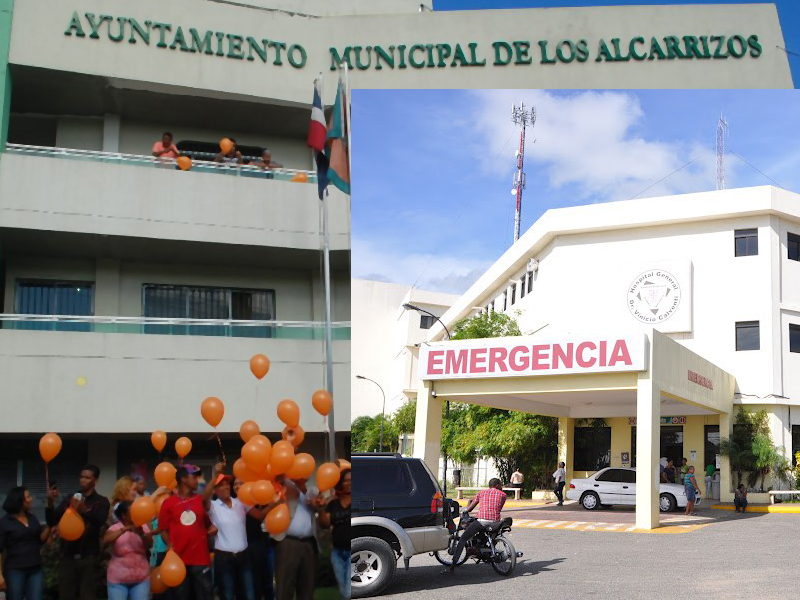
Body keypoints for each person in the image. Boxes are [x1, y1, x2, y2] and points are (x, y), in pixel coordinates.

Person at [208, 474, 280, 600]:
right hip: (224, 559)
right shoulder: (213, 506)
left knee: (249, 594)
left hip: (243, 557)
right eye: (221, 485)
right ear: (215, 490)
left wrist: (276, 503)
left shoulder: (241, 502)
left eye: (226, 484)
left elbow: (259, 516)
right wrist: (214, 477)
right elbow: (203, 499)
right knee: (228, 595)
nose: (226, 487)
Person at [45, 464, 111, 600]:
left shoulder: (101, 501)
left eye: (87, 477)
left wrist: (84, 510)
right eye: (81, 477)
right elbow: (52, 520)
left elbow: (99, 521)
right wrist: (50, 502)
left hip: (89, 557)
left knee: (88, 595)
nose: (83, 480)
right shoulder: (71, 499)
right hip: (68, 555)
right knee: (65, 595)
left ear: (95, 480)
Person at [158, 464, 218, 600]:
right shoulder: (168, 503)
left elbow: (209, 525)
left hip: (200, 559)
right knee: (181, 596)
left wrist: (212, 529)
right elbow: (163, 529)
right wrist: (170, 546)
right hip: (178, 561)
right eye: (194, 477)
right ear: (183, 479)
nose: (198, 480)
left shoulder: (199, 500)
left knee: (205, 596)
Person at [442, 478, 506, 575]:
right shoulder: (503, 495)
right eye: (500, 485)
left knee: (463, 539)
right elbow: (498, 508)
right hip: (496, 522)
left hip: (482, 521)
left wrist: (466, 509)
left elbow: (470, 509)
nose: (501, 487)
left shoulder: (481, 493)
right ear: (497, 485)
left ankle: (452, 567)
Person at [0, 486, 51, 600]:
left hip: (35, 568)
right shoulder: (4, 522)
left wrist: (50, 527)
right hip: (15, 570)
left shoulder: (32, 518)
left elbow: (40, 540)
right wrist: (0, 576)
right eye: (28, 497)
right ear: (19, 501)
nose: (31, 499)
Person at [275, 478, 318, 600]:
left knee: (307, 587)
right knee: (285, 586)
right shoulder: (284, 488)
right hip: (288, 542)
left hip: (308, 543)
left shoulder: (311, 491)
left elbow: (317, 502)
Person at [234, 479, 276, 600]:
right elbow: (259, 515)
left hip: (262, 543)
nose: (237, 486)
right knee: (253, 581)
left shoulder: (256, 499)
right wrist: (275, 503)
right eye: (235, 484)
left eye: (240, 483)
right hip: (247, 546)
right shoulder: (237, 502)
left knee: (265, 580)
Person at [103, 501, 152, 600]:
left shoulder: (143, 527)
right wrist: (124, 529)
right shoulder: (114, 528)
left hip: (141, 578)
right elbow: (105, 542)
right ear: (124, 515)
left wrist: (141, 534)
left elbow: (149, 545)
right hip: (118, 579)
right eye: (132, 512)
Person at [315, 469, 350, 600]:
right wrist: (321, 508)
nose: (349, 483)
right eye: (346, 480)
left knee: (347, 591)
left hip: (353, 549)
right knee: (342, 588)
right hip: (337, 552)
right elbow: (325, 524)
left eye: (352, 480)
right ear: (341, 482)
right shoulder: (333, 503)